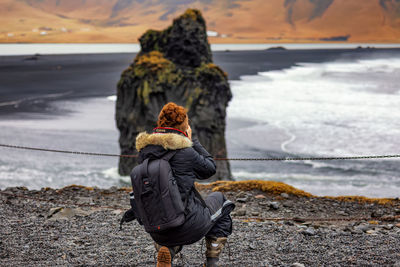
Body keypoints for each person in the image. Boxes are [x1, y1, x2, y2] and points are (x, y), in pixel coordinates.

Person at [134, 102, 235, 267]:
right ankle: (211, 262)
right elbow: (210, 169)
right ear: (183, 127)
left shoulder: (145, 152)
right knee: (221, 201)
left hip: (156, 229)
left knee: (169, 207)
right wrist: (191, 140)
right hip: (189, 228)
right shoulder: (185, 152)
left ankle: (167, 250)